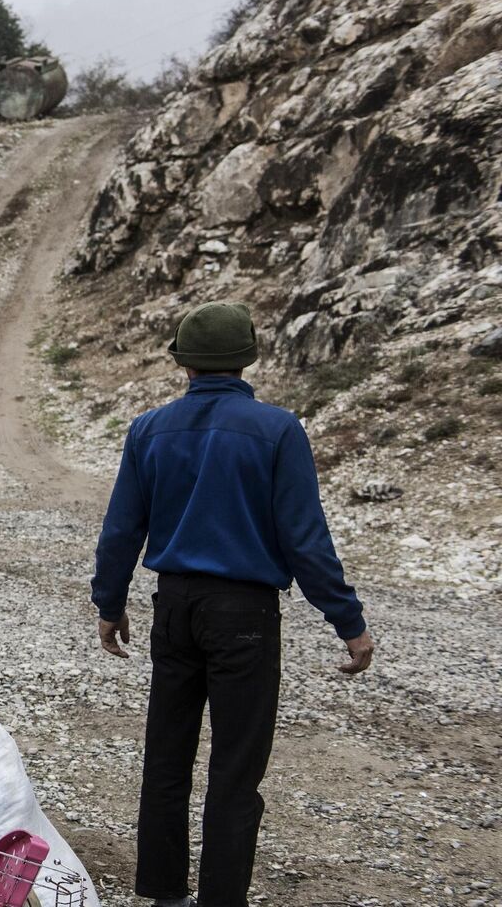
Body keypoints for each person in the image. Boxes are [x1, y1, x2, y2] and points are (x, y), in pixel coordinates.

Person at [92, 301, 374, 907]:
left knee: (168, 755)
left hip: (173, 609)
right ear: (248, 357)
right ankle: (222, 898)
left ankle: (164, 891)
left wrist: (109, 604)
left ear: (182, 362)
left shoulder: (148, 429)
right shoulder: (277, 430)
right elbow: (305, 539)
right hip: (245, 615)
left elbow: (121, 531)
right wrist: (346, 620)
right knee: (237, 767)